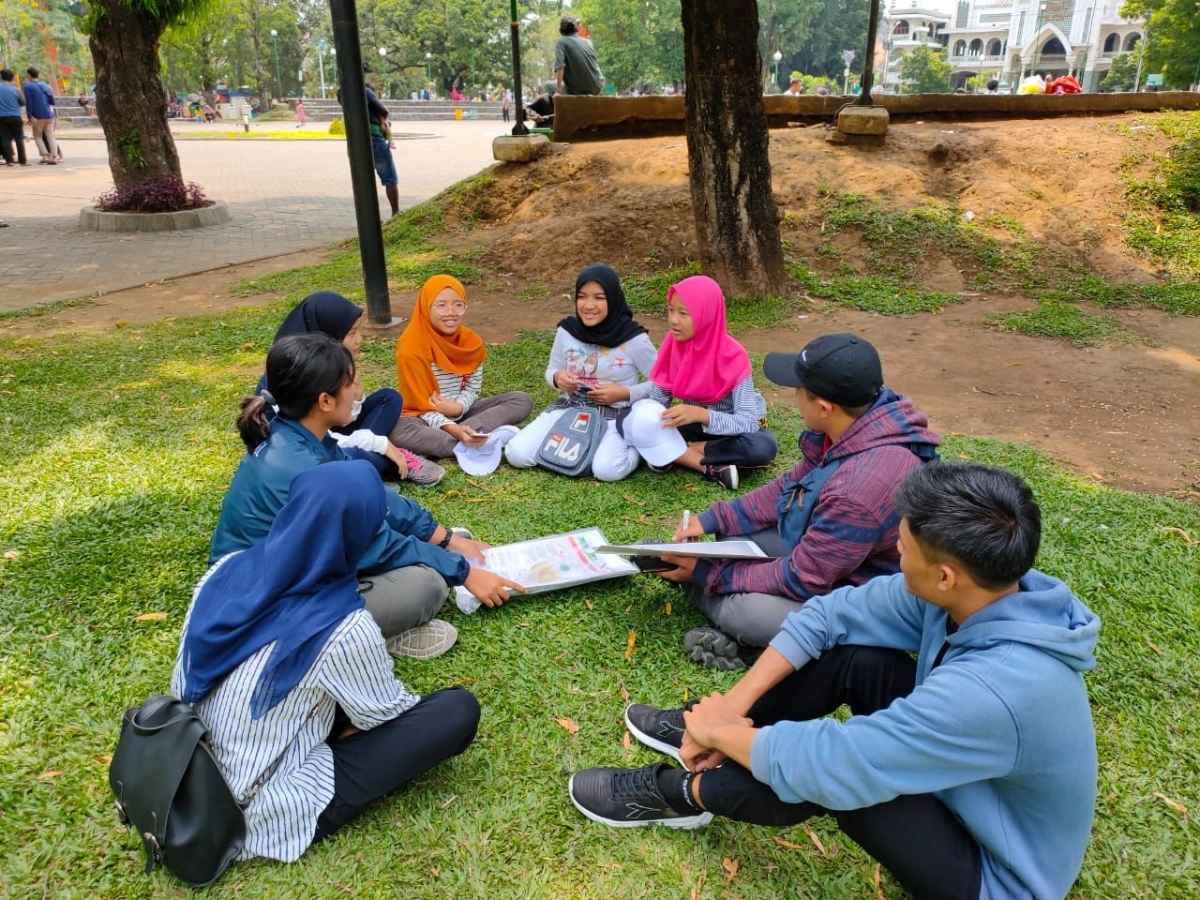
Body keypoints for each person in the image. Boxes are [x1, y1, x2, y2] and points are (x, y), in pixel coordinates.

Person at [570, 462, 1100, 900]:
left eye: (904, 544)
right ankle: (702, 728)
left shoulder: (996, 689)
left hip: (994, 872)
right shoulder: (989, 589)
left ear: (945, 576)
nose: (895, 548)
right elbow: (832, 615)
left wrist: (726, 737)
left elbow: (835, 764)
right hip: (965, 782)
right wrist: (733, 706)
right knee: (859, 659)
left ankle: (678, 792)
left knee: (831, 778)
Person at [175, 461, 481, 864]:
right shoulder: (344, 624)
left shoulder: (225, 568)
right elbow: (386, 717)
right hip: (253, 806)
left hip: (187, 754)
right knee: (455, 712)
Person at [212, 333, 526, 658]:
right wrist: (463, 571)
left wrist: (447, 539)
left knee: (428, 560)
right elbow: (375, 546)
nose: (358, 390)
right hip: (265, 607)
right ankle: (371, 639)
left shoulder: (301, 435)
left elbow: (378, 499)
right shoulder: (305, 468)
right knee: (427, 585)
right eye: (351, 383)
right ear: (324, 401)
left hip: (290, 573)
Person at [659, 333, 940, 668]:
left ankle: (756, 635)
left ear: (824, 407)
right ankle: (763, 636)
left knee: (749, 614)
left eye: (798, 390)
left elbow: (804, 576)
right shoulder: (854, 425)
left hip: (864, 593)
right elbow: (788, 488)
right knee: (731, 541)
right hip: (834, 553)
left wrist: (708, 576)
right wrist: (711, 520)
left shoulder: (860, 488)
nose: (794, 397)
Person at [262, 291, 444, 486]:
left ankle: (377, 456)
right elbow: (322, 441)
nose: (359, 339)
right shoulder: (297, 375)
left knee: (389, 398)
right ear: (326, 334)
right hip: (319, 444)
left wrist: (356, 397)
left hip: (330, 428)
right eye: (351, 333)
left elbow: (342, 414)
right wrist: (379, 444)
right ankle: (384, 462)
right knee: (361, 458)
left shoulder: (324, 364)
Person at [505, 265, 657, 482]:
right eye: (582, 297)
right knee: (517, 455)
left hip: (615, 414)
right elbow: (552, 370)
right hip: (571, 408)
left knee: (606, 471)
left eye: (599, 298)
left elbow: (662, 382)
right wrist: (558, 379)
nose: (589, 306)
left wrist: (624, 394)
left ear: (612, 299)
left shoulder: (634, 338)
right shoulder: (567, 331)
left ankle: (641, 448)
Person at [626, 274, 776, 491]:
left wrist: (701, 415)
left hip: (735, 430)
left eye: (684, 313)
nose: (674, 320)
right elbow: (657, 402)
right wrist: (650, 420)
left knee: (763, 447)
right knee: (640, 422)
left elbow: (748, 422)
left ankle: (678, 452)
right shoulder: (672, 347)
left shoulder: (734, 357)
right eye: (670, 310)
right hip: (694, 426)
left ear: (707, 316)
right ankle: (702, 461)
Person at [392, 275, 533, 461]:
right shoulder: (411, 348)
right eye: (441, 305)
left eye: (458, 305)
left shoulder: (471, 343)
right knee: (398, 432)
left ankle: (464, 441)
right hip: (422, 418)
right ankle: (484, 441)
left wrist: (457, 408)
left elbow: (472, 388)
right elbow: (422, 406)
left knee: (521, 400)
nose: (450, 312)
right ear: (426, 307)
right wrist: (454, 429)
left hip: (463, 413)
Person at [555, 15, 604, 96]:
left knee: (549, 86)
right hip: (598, 86)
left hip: (580, 89)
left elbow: (560, 67)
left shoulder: (562, 42)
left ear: (561, 30)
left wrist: (558, 91)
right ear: (576, 29)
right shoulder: (588, 42)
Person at [23, 67, 57, 165]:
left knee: (37, 136)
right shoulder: (45, 85)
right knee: (50, 136)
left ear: (29, 75)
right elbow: (52, 100)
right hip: (49, 114)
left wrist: (29, 116)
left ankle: (45, 156)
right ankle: (54, 157)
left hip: (37, 115)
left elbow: (29, 103)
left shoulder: (28, 87)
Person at [0, 70, 28, 167]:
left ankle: (9, 161)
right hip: (15, 116)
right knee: (19, 138)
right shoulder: (16, 89)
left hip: (2, 117)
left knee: (5, 138)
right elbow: (23, 103)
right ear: (12, 78)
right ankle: (23, 161)